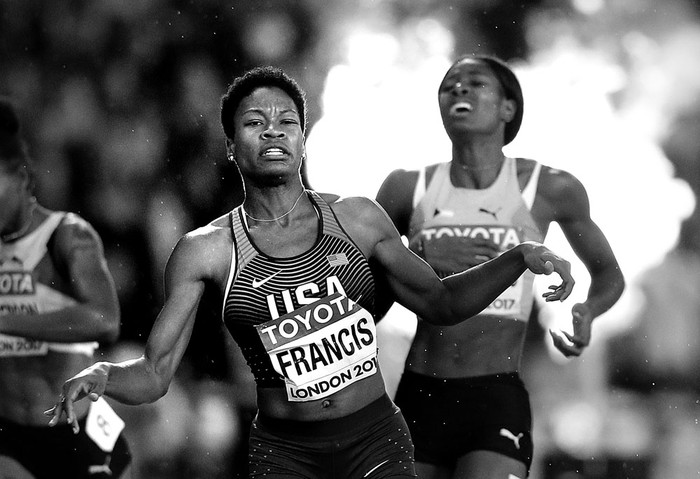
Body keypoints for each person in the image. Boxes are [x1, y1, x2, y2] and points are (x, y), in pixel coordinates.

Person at [46, 66, 574, 479]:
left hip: (376, 440)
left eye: (286, 122)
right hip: (285, 455)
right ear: (231, 147)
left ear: (303, 139)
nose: (272, 132)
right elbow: (157, 375)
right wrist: (104, 377)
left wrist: (518, 257)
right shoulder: (204, 252)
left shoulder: (358, 218)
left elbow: (441, 303)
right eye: (254, 123)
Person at [375, 54, 625, 479]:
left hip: (495, 394)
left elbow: (609, 276)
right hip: (420, 391)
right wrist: (420, 263)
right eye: (450, 85)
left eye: (476, 83)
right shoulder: (405, 187)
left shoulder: (549, 187)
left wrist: (589, 311)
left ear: (508, 108)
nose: (459, 89)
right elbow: (361, 291)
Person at [0, 97, 131, 478]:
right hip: (8, 432)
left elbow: (105, 319)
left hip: (72, 431)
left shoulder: (67, 236)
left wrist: (6, 321)